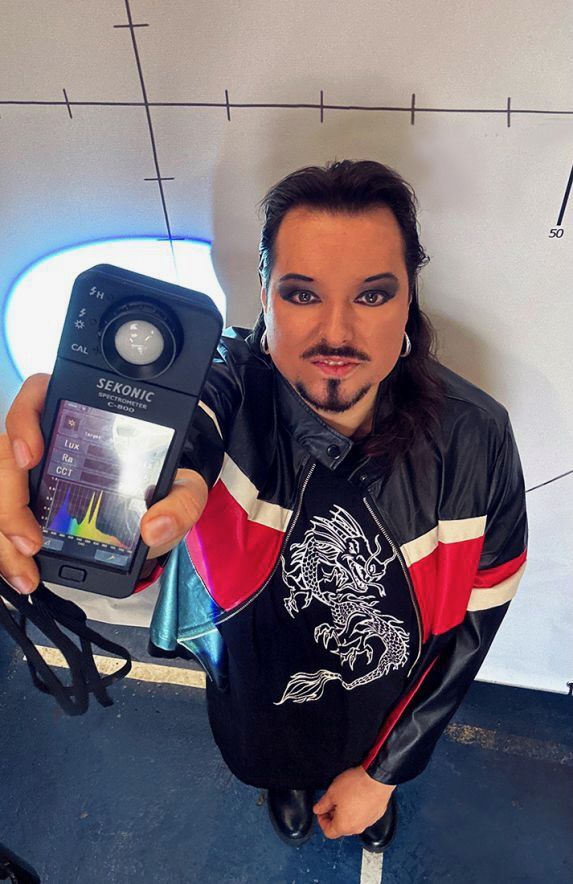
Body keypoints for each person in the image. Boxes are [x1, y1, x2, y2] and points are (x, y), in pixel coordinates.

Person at [0, 160, 528, 854]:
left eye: (371, 295)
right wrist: (87, 475)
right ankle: (285, 784)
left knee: (362, 762)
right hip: (255, 688)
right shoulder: (219, 392)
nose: (336, 333)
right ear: (264, 297)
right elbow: (190, 429)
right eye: (301, 294)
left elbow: (477, 624)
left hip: (381, 701)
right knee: (268, 754)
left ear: (408, 302)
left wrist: (385, 774)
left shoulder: (475, 436)